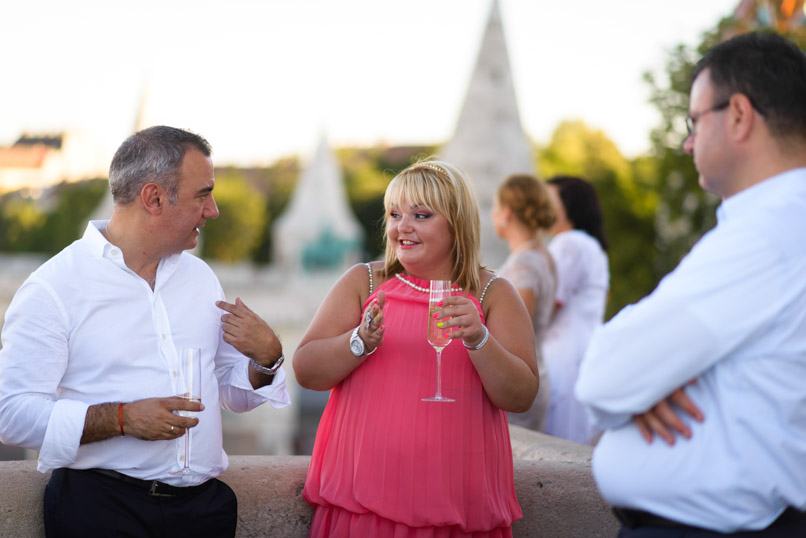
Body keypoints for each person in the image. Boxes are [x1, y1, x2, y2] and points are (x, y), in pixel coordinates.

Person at [0, 125, 291, 537]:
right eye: (202, 195)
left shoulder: (201, 279)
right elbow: (11, 413)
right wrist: (121, 419)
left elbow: (226, 389)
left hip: (205, 512)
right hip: (100, 512)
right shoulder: (53, 288)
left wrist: (267, 359)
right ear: (153, 198)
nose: (213, 211)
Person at [575, 32, 806, 537]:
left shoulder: (767, 233)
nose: (688, 142)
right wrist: (648, 378)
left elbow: (601, 376)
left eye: (694, 121)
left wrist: (641, 379)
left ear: (739, 115)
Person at [294, 160, 538, 537]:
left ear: (457, 223)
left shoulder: (494, 293)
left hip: (455, 505)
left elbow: (521, 397)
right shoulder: (365, 281)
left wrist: (480, 340)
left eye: (420, 215)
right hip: (363, 501)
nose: (402, 227)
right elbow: (306, 371)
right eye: (395, 214)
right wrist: (358, 342)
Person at [541, 175, 609, 444]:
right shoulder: (590, 246)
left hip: (562, 356)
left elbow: (548, 304)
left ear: (569, 206)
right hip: (585, 351)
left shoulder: (569, 244)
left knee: (555, 442)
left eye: (548, 201)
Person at [492, 173, 557, 431]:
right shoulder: (541, 254)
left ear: (507, 212)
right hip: (538, 368)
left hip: (520, 378)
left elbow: (517, 326)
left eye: (495, 207)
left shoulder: (524, 262)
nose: (493, 214)